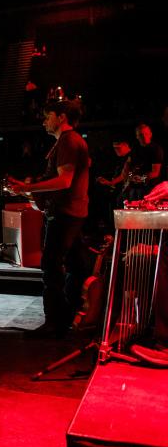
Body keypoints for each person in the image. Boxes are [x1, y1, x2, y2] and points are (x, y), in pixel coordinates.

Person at [8, 98, 90, 338]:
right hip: (71, 212)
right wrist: (28, 189)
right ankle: (72, 314)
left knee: (51, 266)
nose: (44, 121)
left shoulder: (68, 141)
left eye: (47, 116)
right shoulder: (69, 142)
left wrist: (26, 188)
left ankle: (55, 323)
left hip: (65, 214)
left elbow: (65, 181)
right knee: (77, 264)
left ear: (61, 116)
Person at [98, 123, 163, 202]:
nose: (144, 136)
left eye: (145, 133)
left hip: (148, 188)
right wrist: (112, 182)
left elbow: (155, 172)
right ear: (137, 136)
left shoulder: (155, 149)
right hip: (133, 188)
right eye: (140, 135)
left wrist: (142, 178)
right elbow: (127, 167)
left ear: (150, 134)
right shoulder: (135, 148)